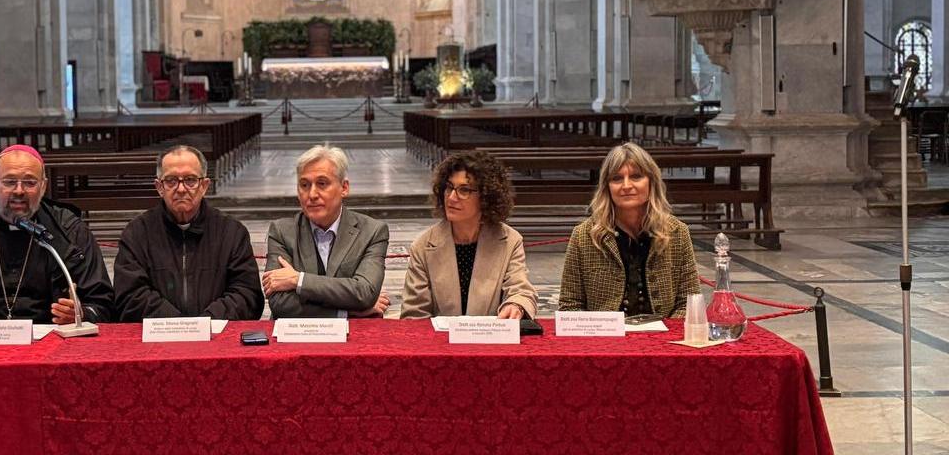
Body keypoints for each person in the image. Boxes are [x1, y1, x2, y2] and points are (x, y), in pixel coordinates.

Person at [0, 144, 115, 324]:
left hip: (51, 341)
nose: (19, 191)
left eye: (30, 182)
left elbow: (103, 304)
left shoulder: (71, 233)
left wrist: (82, 314)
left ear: (43, 187)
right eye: (9, 182)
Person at [114, 145, 263, 321]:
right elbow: (129, 295)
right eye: (171, 180)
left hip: (216, 336)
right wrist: (178, 324)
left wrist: (207, 321)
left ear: (204, 185)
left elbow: (246, 293)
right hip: (158, 338)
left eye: (190, 180)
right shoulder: (137, 233)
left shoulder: (232, 232)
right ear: (159, 187)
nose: (181, 189)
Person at [558, 143, 701, 318]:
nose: (626, 185)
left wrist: (666, 336)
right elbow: (570, 306)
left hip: (662, 338)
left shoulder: (677, 232)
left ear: (651, 182)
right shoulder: (584, 235)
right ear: (607, 187)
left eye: (636, 176)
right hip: (604, 341)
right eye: (617, 178)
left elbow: (689, 303)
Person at [401, 151, 537, 319]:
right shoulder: (423, 245)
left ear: (486, 197)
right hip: (440, 342)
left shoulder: (510, 241)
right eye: (449, 187)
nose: (451, 197)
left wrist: (515, 305)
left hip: (491, 341)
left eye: (464, 190)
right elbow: (414, 314)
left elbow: (520, 290)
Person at [262, 145, 390, 318]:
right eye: (304, 185)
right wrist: (346, 311)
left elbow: (365, 293)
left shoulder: (372, 231)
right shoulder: (282, 232)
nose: (312, 194)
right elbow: (280, 304)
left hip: (355, 337)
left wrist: (297, 280)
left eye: (322, 184)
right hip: (297, 337)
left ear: (344, 188)